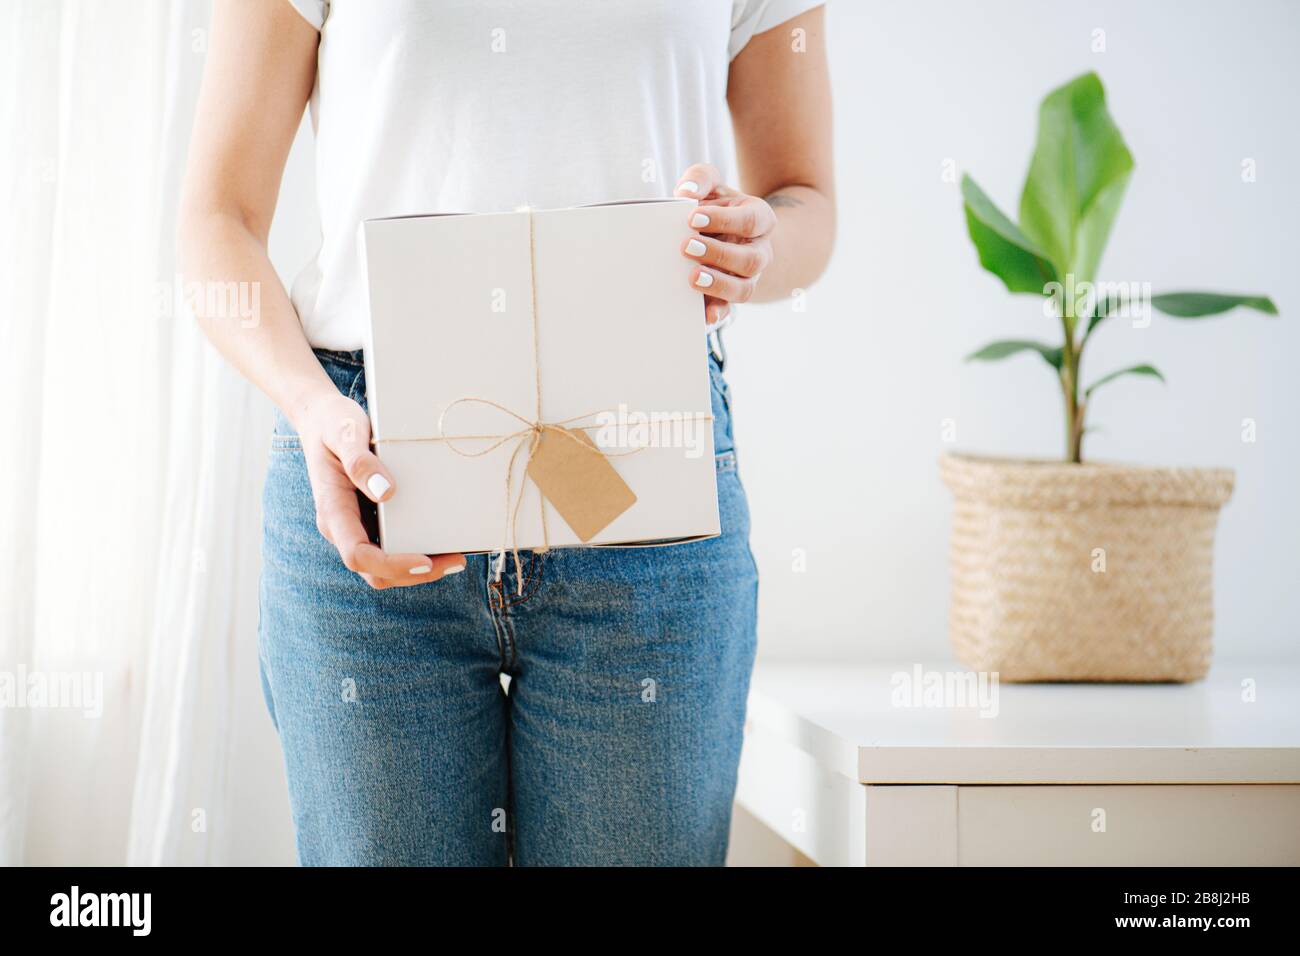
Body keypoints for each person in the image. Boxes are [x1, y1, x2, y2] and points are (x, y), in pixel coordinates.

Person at [178, 0, 834, 866]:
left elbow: (805, 202)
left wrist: (758, 245)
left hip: (640, 463)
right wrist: (311, 408)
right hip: (370, 457)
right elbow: (216, 219)